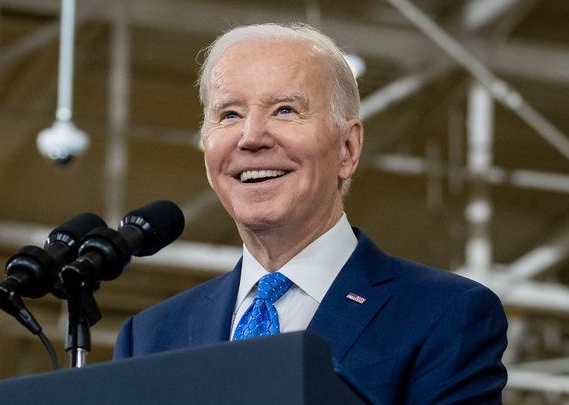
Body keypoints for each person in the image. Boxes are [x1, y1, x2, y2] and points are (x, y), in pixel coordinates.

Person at [114, 23, 508, 403]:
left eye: (285, 110)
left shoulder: (444, 314)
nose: (250, 137)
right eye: (230, 114)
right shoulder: (149, 337)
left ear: (347, 149)